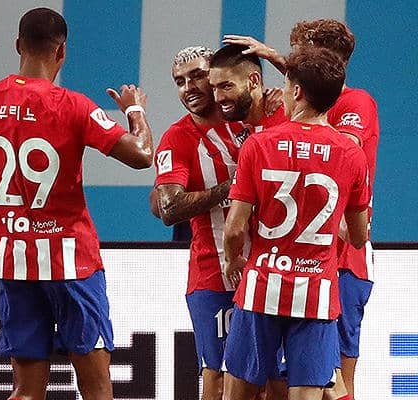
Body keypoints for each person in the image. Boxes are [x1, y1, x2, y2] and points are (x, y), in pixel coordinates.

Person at [0, 7, 154, 399]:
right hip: (73, 262)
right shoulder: (74, 105)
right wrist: (135, 110)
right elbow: (141, 155)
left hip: (15, 261)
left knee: (25, 391)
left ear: (18, 45)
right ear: (62, 52)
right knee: (96, 388)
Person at [225, 19, 380, 400]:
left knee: (243, 390)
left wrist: (233, 260)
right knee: (319, 387)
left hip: (270, 279)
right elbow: (358, 233)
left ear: (297, 88)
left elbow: (234, 228)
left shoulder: (260, 143)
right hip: (318, 284)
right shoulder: (349, 156)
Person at [149, 45, 285, 400]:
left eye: (197, 76)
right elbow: (168, 208)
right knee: (221, 377)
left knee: (276, 382)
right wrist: (234, 186)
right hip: (215, 274)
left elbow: (317, 99)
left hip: (270, 271)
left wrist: (274, 93)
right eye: (180, 81)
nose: (189, 88)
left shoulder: (253, 118)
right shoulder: (178, 138)